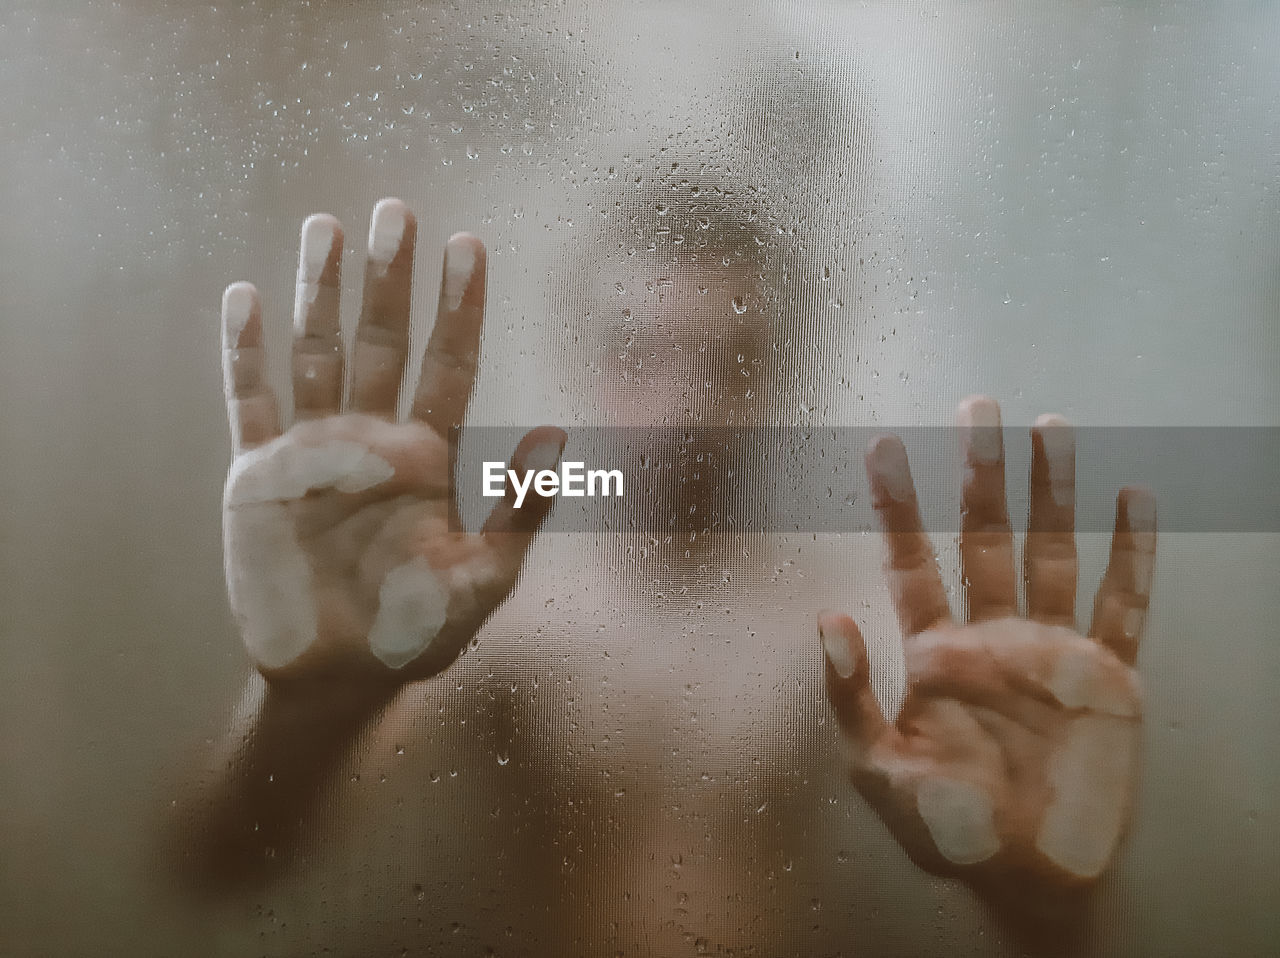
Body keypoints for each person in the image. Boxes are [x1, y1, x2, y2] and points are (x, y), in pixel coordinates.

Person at [167, 196, 1157, 955]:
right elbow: (222, 866)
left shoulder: (848, 622)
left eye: (728, 360)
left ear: (780, 377)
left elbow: (1044, 923)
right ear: (581, 357)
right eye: (641, 351)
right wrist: (310, 710)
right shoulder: (491, 610)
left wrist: (1038, 894)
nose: (685, 404)